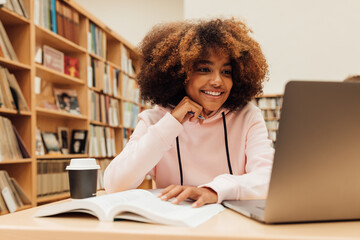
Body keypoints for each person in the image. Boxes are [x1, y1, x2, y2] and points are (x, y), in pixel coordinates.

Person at [104, 18, 274, 208]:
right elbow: (115, 185)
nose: (218, 81)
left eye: (226, 72)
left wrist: (213, 191)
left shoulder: (247, 116)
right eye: (204, 69)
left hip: (232, 225)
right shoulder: (156, 119)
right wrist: (172, 122)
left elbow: (269, 179)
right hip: (176, 225)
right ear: (180, 73)